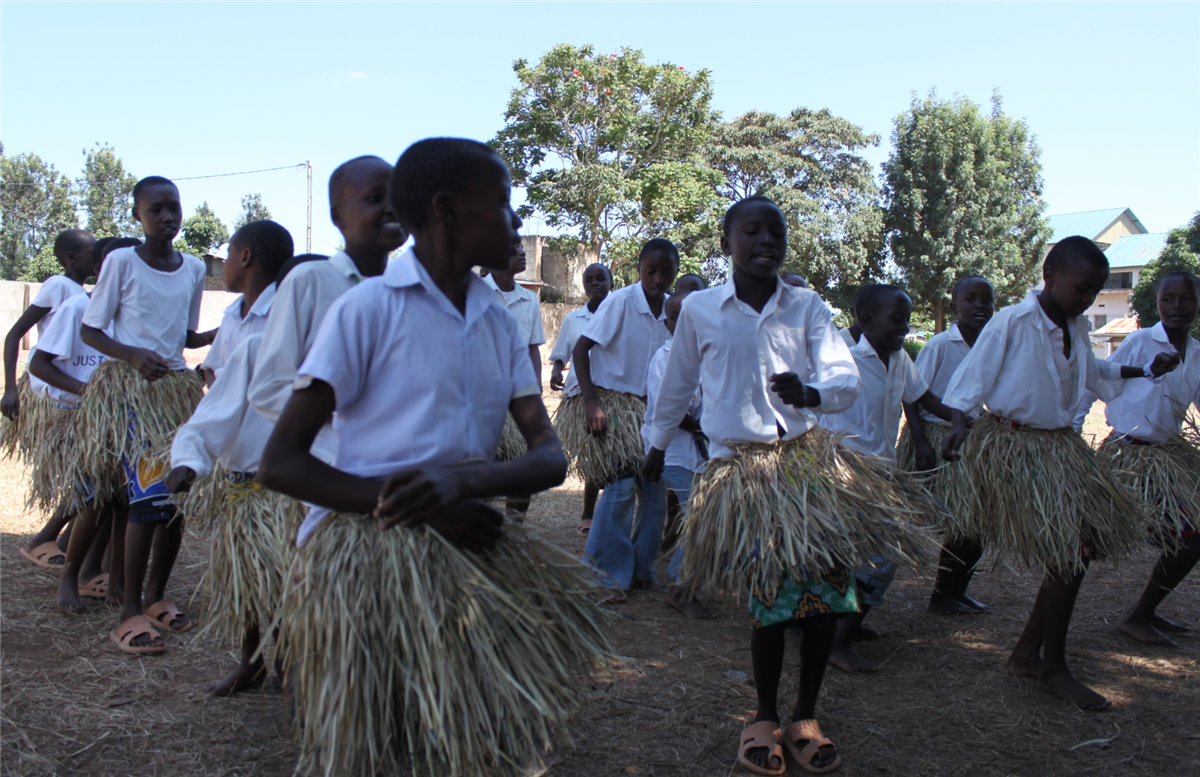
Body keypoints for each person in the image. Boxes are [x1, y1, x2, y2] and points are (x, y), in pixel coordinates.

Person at [257, 137, 610, 777]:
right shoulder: (365, 310)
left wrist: (460, 485)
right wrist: (416, 504)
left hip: (470, 551)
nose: (514, 220)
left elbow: (549, 457)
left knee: (461, 737)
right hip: (368, 557)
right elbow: (281, 461)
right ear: (448, 211)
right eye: (501, 204)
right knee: (377, 740)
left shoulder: (499, 321)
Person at [644, 196, 930, 775]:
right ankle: (763, 715)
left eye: (776, 231)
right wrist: (654, 447)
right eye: (752, 231)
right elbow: (676, 386)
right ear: (728, 243)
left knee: (827, 597)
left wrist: (814, 395)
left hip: (806, 468)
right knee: (771, 601)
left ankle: (805, 715)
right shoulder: (701, 310)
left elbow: (842, 374)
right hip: (742, 471)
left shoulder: (807, 306)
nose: (766, 241)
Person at [942, 236, 1180, 710]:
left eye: (1094, 291)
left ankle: (1030, 654)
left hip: (1059, 448)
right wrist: (956, 425)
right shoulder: (1012, 321)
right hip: (1015, 447)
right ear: (1050, 276)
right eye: (1082, 288)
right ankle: (1050, 665)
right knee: (1072, 552)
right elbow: (971, 379)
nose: (1088, 298)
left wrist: (1144, 370)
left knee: (1076, 551)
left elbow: (1096, 373)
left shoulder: (1074, 325)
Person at [79, 176, 213, 655]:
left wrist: (237, 324)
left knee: (175, 498)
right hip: (132, 393)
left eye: (173, 207)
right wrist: (133, 354)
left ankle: (156, 595)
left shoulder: (195, 266)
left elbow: (188, 335)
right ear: (137, 214)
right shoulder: (120, 261)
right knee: (147, 494)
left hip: (176, 392)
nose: (167, 217)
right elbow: (92, 330)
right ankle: (128, 609)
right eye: (156, 209)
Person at [166, 219, 294, 694]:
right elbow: (216, 386)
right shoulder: (238, 320)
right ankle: (252, 661)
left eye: (229, 250)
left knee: (285, 578)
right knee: (243, 572)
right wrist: (195, 455)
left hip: (286, 477)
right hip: (239, 472)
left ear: (244, 257)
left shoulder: (288, 318)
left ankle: (290, 664)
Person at [819, 284, 954, 674]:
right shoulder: (835, 356)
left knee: (876, 556)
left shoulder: (898, 358)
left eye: (906, 320)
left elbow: (924, 399)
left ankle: (845, 627)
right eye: (897, 320)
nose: (905, 328)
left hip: (881, 475)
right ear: (864, 319)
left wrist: (961, 418)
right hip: (840, 475)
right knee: (864, 557)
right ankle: (836, 641)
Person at [247, 156, 407, 464]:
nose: (392, 207)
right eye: (375, 199)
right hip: (329, 476)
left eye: (398, 198)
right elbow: (269, 387)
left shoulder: (409, 291)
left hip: (397, 469)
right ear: (339, 217)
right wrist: (343, 413)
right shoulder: (311, 281)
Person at [1072, 270, 1200, 647]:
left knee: (1191, 536)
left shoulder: (1196, 353)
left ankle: (1142, 613)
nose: (1177, 306)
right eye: (1168, 299)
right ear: (1156, 304)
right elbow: (1093, 383)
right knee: (1091, 541)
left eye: (1186, 298)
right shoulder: (1141, 342)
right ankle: (1048, 626)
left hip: (1166, 459)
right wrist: (1074, 433)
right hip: (1126, 457)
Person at [570, 239, 678, 599]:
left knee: (654, 491)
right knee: (619, 487)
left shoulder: (673, 310)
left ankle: (641, 572)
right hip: (613, 406)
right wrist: (590, 401)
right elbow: (581, 348)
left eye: (666, 272)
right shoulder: (620, 301)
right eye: (651, 271)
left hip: (649, 411)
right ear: (639, 269)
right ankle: (602, 576)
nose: (658, 279)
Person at [27, 240, 126, 611]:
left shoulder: (126, 313)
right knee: (93, 496)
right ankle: (72, 571)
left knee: (118, 499)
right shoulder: (75, 305)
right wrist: (89, 393)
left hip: (117, 419)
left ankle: (97, 570)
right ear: (102, 269)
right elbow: (39, 364)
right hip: (81, 416)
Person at [897, 276, 996, 616]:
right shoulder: (940, 344)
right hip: (935, 437)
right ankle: (941, 595)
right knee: (962, 521)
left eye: (987, 300)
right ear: (955, 306)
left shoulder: (991, 345)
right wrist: (919, 439)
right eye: (971, 299)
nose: (980, 305)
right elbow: (911, 393)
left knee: (977, 522)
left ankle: (958, 591)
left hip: (969, 437)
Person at [8, 229, 96, 567]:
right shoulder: (59, 287)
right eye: (90, 253)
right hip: (59, 394)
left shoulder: (85, 293)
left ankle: (60, 541)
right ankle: (46, 539)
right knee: (86, 475)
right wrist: (11, 388)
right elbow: (16, 334)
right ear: (70, 258)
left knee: (88, 475)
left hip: (78, 396)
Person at [643, 290, 714, 620]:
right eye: (675, 316)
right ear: (668, 323)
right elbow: (670, 411)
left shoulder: (708, 356)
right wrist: (706, 426)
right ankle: (681, 588)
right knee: (702, 517)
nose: (683, 322)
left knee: (704, 517)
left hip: (700, 453)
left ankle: (681, 577)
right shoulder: (665, 357)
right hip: (672, 452)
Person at [549, 262, 612, 537]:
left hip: (612, 395)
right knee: (591, 458)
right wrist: (554, 369)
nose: (594, 283)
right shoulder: (573, 319)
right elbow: (563, 352)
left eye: (600, 278)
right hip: (579, 397)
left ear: (611, 282)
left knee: (610, 457)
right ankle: (588, 514)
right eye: (589, 280)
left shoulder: (619, 313)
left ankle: (607, 512)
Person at [485, 236, 546, 518]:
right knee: (485, 473)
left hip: (519, 399)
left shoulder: (529, 300)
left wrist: (535, 394)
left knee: (524, 476)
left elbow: (533, 349)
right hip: (485, 399)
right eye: (514, 247)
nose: (522, 253)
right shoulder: (475, 294)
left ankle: (514, 534)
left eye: (522, 247)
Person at [198, 221, 284, 385]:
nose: (224, 265)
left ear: (245, 257)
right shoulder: (231, 315)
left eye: (229, 254)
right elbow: (210, 368)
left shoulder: (284, 313)